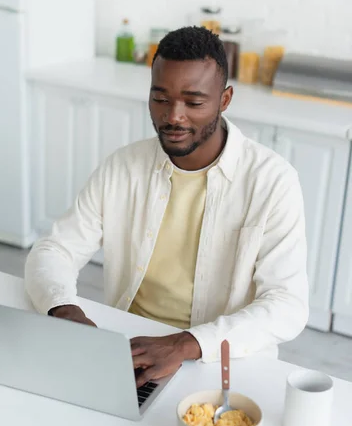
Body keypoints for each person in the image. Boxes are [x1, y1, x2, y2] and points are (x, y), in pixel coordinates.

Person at [25, 26, 309, 387]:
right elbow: (54, 249)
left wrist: (186, 343)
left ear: (224, 100)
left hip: (221, 364)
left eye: (193, 102)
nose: (173, 116)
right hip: (132, 351)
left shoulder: (273, 182)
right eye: (160, 99)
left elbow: (287, 306)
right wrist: (63, 308)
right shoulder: (124, 166)